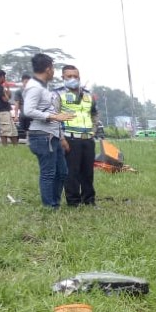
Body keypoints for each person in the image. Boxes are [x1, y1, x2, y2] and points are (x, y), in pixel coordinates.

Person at [23, 54, 75, 209]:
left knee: (62, 172)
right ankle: (49, 206)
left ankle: (55, 203)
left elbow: (52, 113)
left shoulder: (42, 87)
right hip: (42, 136)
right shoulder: (34, 87)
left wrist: (61, 136)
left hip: (52, 136)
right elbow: (28, 110)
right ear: (48, 69)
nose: (53, 72)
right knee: (48, 173)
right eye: (53, 68)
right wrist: (53, 116)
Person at [55, 65, 99, 207]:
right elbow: (54, 117)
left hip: (87, 138)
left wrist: (93, 130)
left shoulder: (87, 95)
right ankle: (73, 202)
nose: (73, 79)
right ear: (63, 77)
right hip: (70, 138)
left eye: (75, 76)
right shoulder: (57, 94)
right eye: (69, 76)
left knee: (88, 172)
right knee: (72, 172)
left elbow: (94, 113)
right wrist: (61, 138)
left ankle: (89, 200)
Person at [0, 70, 17, 146]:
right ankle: (5, 147)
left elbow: (8, 96)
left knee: (13, 130)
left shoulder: (1, 87)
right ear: (1, 76)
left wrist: (7, 89)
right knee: (5, 131)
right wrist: (6, 92)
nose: (5, 78)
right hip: (2, 111)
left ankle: (16, 147)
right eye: (4, 76)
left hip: (5, 111)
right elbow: (6, 99)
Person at [13, 74, 30, 138]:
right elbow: (16, 103)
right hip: (23, 114)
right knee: (22, 130)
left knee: (30, 129)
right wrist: (16, 115)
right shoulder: (19, 91)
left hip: (31, 114)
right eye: (26, 82)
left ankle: (28, 141)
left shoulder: (33, 91)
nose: (27, 83)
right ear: (22, 82)